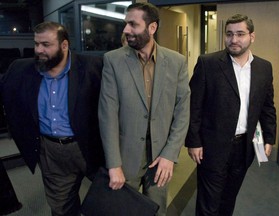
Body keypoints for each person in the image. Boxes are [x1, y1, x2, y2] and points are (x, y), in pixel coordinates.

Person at [0, 21, 104, 216]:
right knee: (61, 207)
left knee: (108, 201)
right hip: (51, 151)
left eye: (46, 45)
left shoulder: (93, 67)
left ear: (64, 45)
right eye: (36, 43)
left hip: (91, 146)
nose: (39, 50)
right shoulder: (21, 69)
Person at [98, 2, 190, 215]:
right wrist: (113, 164)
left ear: (152, 28)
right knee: (125, 210)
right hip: (126, 155)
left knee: (157, 209)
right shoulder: (113, 60)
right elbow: (108, 115)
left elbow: (182, 111)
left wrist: (170, 154)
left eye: (133, 24)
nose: (126, 30)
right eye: (125, 24)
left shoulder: (176, 62)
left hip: (161, 155)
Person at [185, 14, 276, 216]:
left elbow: (267, 106)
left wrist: (269, 137)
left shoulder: (264, 67)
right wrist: (194, 141)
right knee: (208, 203)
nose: (233, 40)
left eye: (240, 34)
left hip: (244, 147)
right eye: (229, 34)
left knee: (229, 199)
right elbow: (194, 105)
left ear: (252, 37)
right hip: (212, 147)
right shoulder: (208, 63)